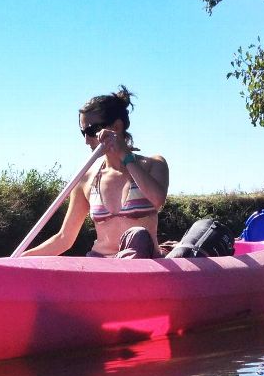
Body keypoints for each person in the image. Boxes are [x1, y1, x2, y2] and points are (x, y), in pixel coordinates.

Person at [22, 86, 169, 258]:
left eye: (91, 131)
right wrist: (21, 259)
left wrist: (125, 155)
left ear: (116, 126)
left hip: (144, 265)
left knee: (138, 236)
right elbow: (64, 238)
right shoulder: (86, 178)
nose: (86, 140)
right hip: (101, 266)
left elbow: (157, 200)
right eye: (82, 132)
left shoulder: (153, 164)